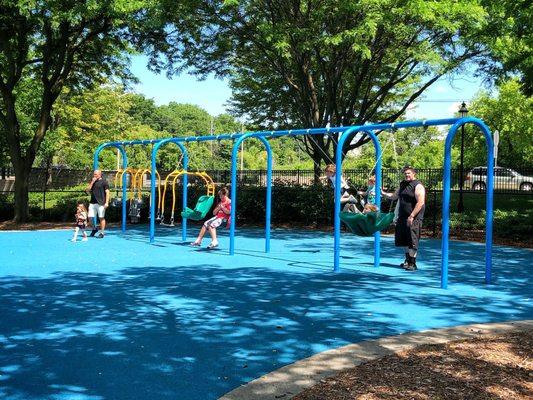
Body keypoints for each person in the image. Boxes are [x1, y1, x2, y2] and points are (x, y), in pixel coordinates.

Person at [382, 166, 425, 271]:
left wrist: (412, 216)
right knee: (404, 240)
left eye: (409, 173)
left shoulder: (418, 185)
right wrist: (382, 193)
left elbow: (420, 202)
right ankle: (407, 260)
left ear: (414, 174)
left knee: (412, 240)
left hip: (414, 218)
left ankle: (413, 263)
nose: (406, 175)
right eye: (405, 173)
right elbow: (394, 196)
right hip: (402, 217)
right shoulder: (402, 184)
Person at [86, 169, 110, 238]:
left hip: (101, 203)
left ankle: (102, 233)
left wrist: (106, 203)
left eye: (95, 174)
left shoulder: (104, 182)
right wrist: (92, 182)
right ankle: (94, 229)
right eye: (94, 174)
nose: (94, 175)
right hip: (92, 203)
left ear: (99, 174)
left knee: (101, 217)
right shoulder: (93, 182)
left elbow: (107, 192)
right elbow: (87, 190)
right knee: (90, 217)